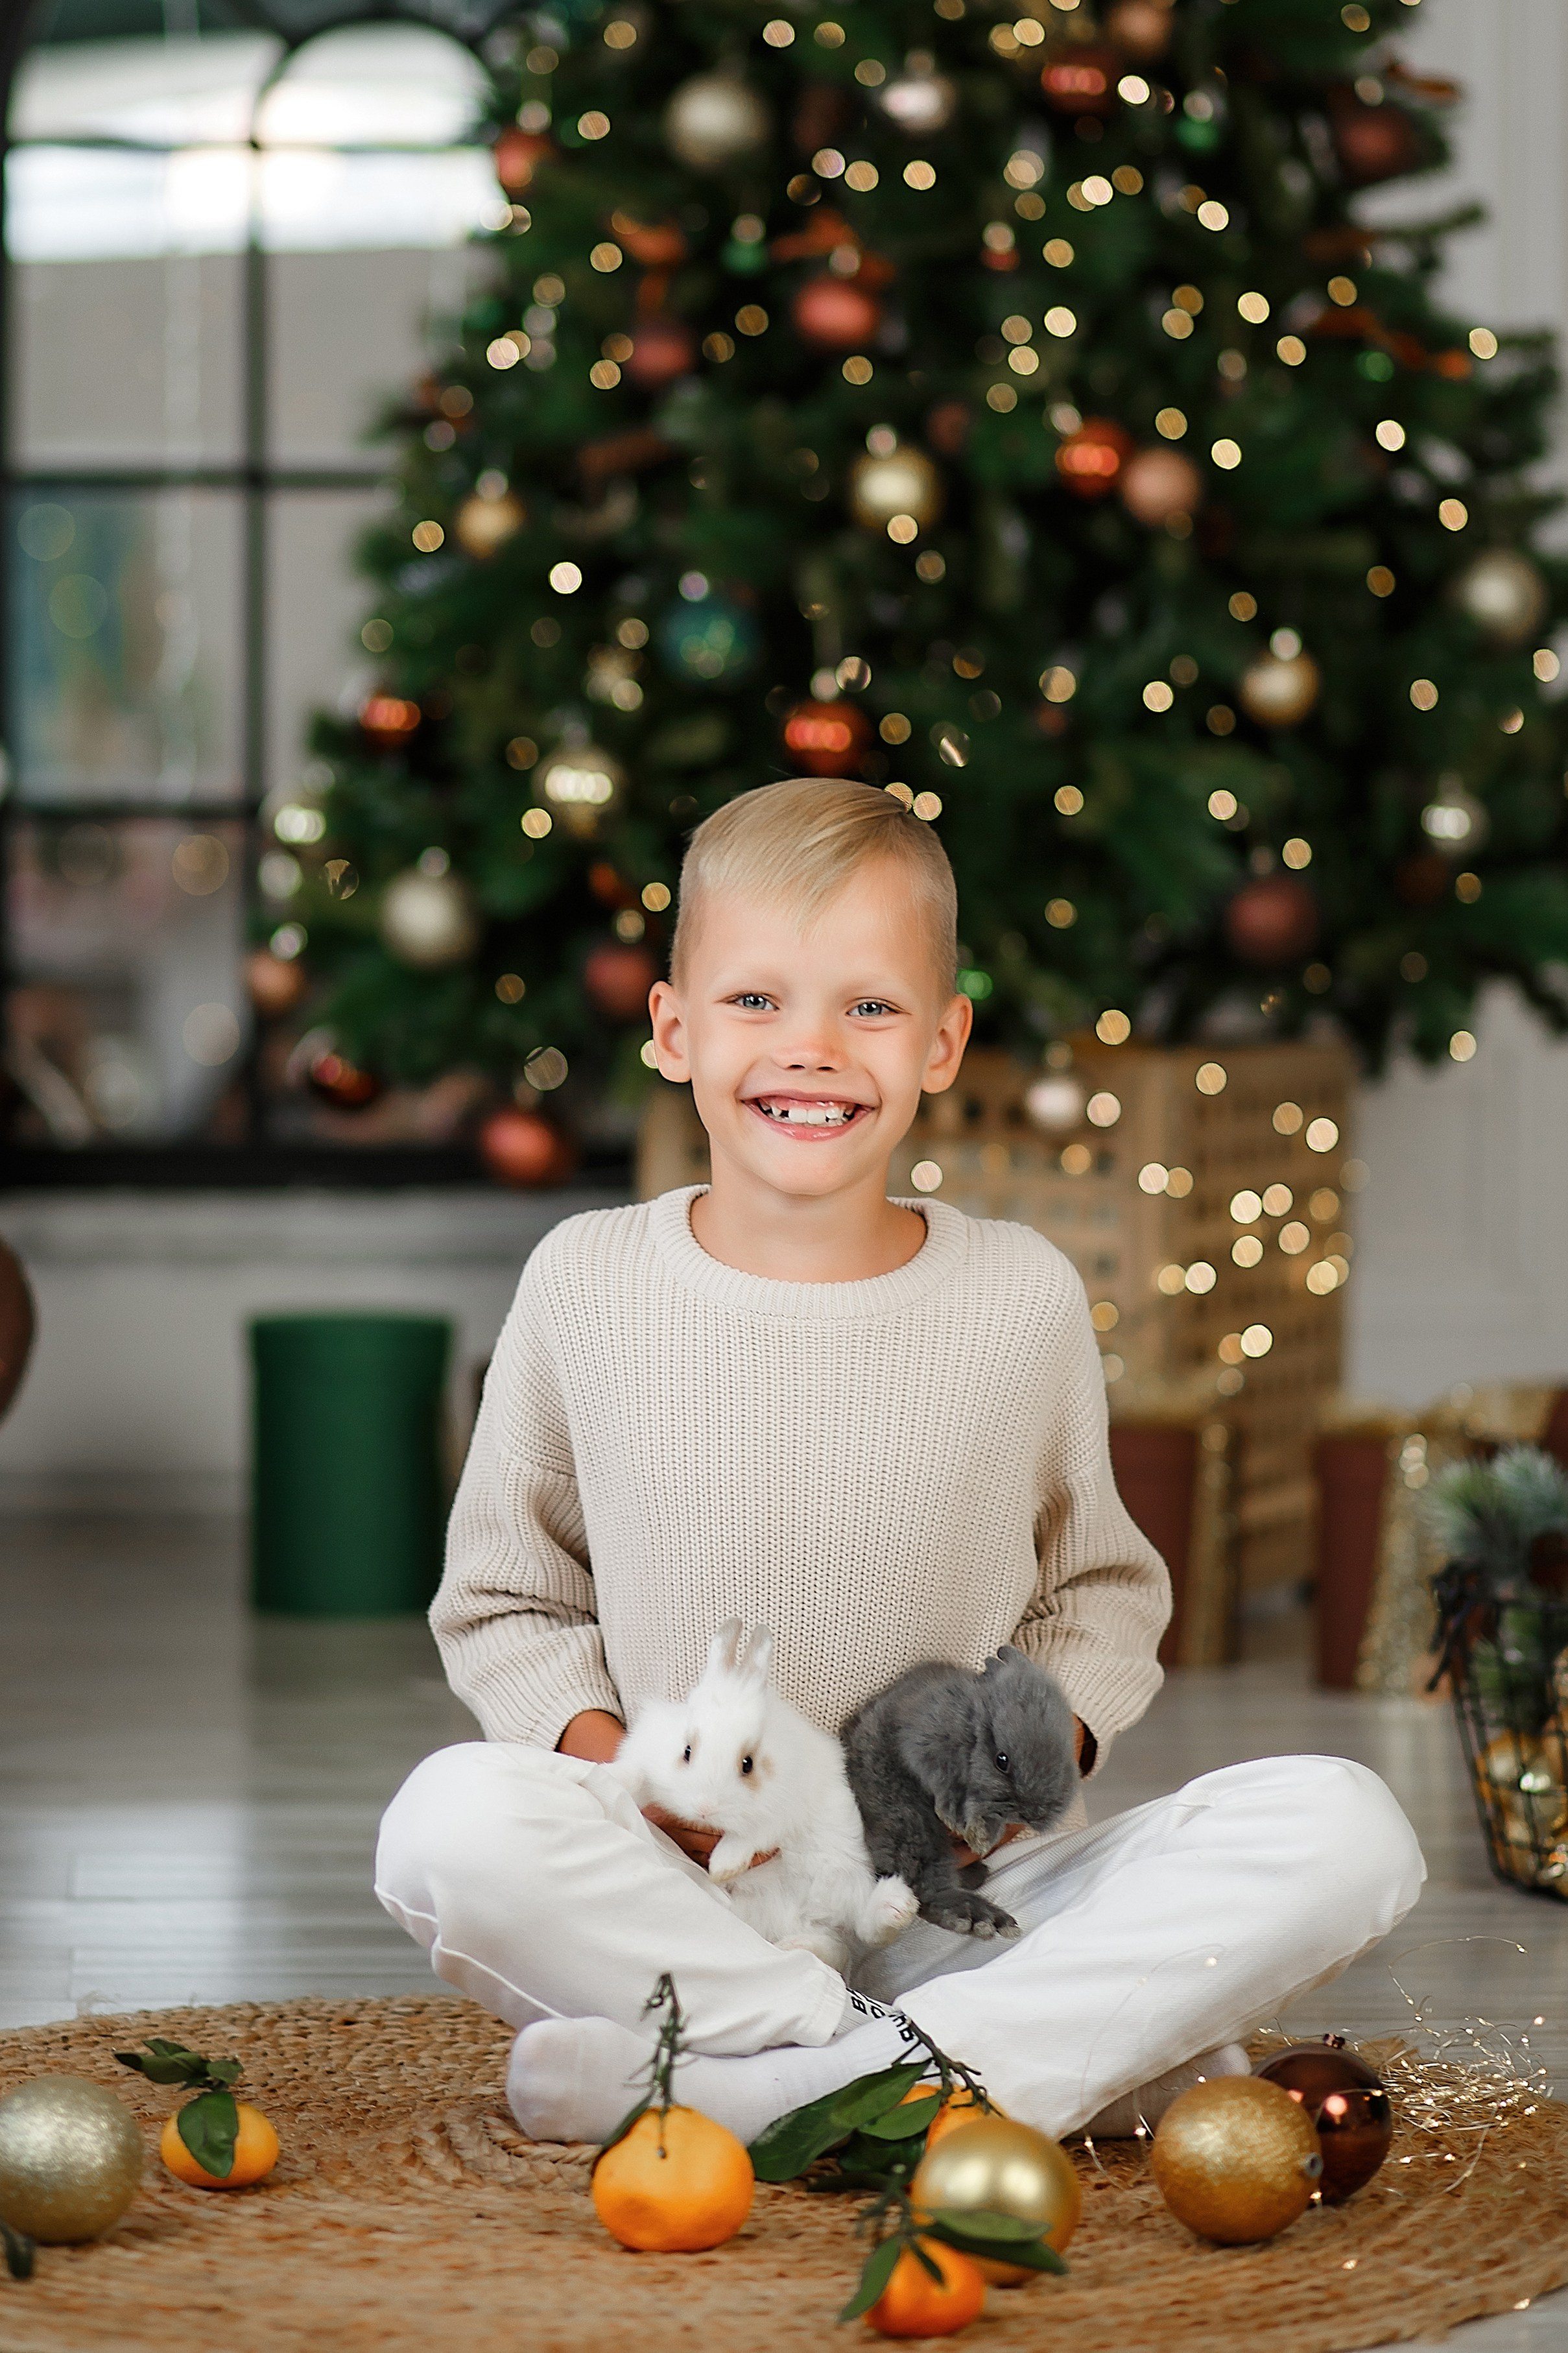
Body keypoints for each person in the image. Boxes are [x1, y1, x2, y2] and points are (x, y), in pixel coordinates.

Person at [375, 776, 1424, 2146]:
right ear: (673, 1028)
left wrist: (1021, 1775)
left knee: (1346, 1825)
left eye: (867, 1005)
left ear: (941, 1040)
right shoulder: (586, 1282)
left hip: (961, 1898)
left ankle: (754, 2092)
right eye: (757, 1001)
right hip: (689, 1897)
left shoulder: (1020, 1295)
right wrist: (638, 1777)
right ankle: (936, 2074)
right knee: (447, 1824)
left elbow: (1099, 1595)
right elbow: (510, 1601)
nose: (811, 1047)